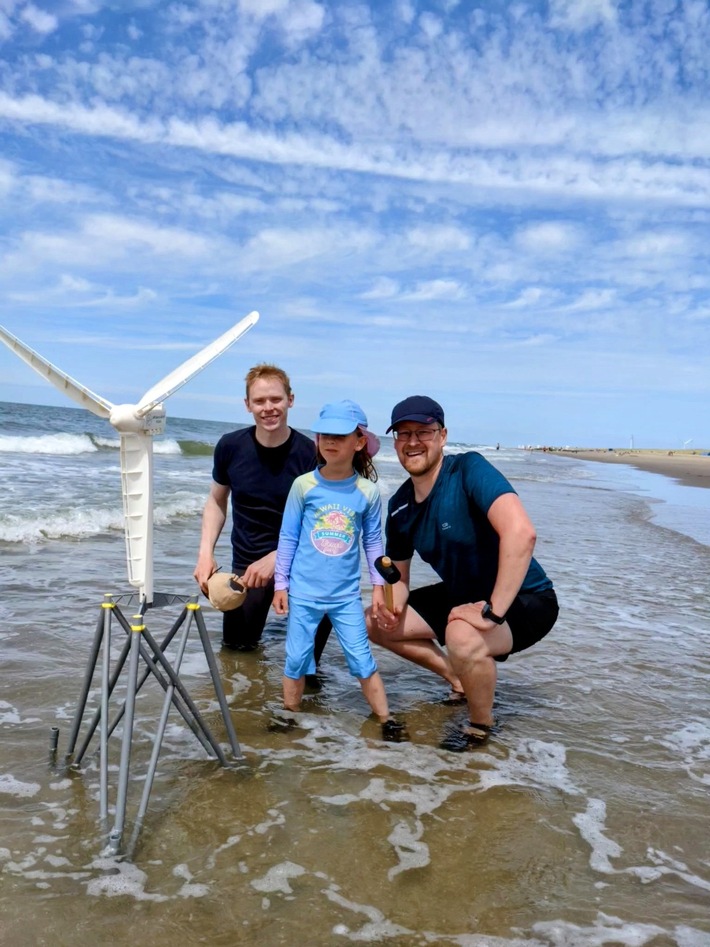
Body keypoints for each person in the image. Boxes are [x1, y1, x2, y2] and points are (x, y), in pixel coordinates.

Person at [367, 395, 558, 750]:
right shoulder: (399, 507)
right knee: (374, 622)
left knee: (461, 633)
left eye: (423, 432)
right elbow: (401, 581)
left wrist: (492, 612)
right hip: (461, 595)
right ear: (395, 442)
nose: (412, 442)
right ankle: (456, 676)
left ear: (442, 436)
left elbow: (521, 534)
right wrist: (389, 602)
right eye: (403, 433)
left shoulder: (468, 469)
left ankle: (481, 726)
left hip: (526, 598)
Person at [272, 400, 407, 742]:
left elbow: (374, 543)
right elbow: (287, 537)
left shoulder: (367, 492)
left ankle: (386, 718)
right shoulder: (304, 486)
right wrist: (281, 584)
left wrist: (378, 587)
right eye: (324, 435)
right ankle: (289, 716)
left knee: (362, 659)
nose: (330, 441)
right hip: (303, 593)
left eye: (339, 435)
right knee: (296, 657)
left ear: (359, 441)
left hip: (345, 597)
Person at [194, 363, 331, 666]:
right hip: (249, 564)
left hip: (302, 561)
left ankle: (304, 705)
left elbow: (322, 523)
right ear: (248, 405)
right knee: (236, 655)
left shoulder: (312, 455)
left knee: (306, 662)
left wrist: (278, 557)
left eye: (276, 400)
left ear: (290, 401)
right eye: (259, 401)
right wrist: (205, 553)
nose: (268, 408)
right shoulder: (230, 446)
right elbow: (217, 501)